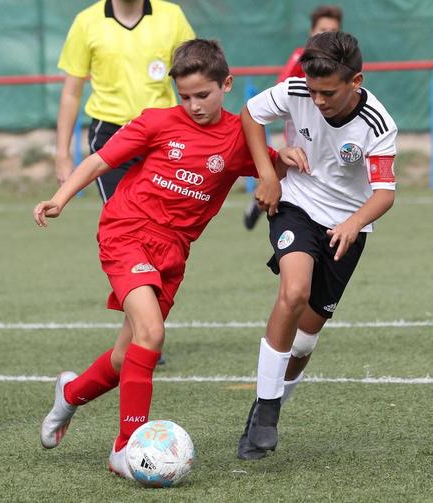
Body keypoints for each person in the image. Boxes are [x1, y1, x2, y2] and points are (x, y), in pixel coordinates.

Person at [34, 39, 299, 477]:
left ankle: (71, 392)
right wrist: (61, 197)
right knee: (152, 336)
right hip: (127, 231)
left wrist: (285, 159)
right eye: (185, 96)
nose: (193, 105)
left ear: (226, 84)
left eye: (203, 95)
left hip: (173, 251)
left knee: (127, 356)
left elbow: (273, 165)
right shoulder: (157, 122)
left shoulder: (238, 137)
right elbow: (100, 161)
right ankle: (124, 449)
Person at [236, 31, 398, 460]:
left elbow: (384, 192)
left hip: (347, 226)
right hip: (296, 207)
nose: (318, 100)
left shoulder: (378, 124)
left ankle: (261, 412)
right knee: (294, 291)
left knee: (304, 344)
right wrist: (267, 174)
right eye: (313, 91)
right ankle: (268, 410)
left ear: (356, 81)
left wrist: (354, 223)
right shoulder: (296, 89)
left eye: (328, 92)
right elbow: (250, 116)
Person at [56, 0, 194, 364]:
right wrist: (61, 153)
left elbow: (196, 72)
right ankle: (144, 332)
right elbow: (71, 91)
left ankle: (144, 329)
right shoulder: (86, 22)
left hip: (162, 135)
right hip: (111, 137)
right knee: (130, 230)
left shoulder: (172, 16)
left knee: (161, 232)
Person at [243, 5, 344, 230]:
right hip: (302, 132)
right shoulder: (301, 57)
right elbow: (282, 89)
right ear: (311, 32)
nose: (326, 35)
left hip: (330, 134)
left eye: (332, 31)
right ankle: (264, 203)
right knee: (292, 169)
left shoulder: (343, 62)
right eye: (321, 30)